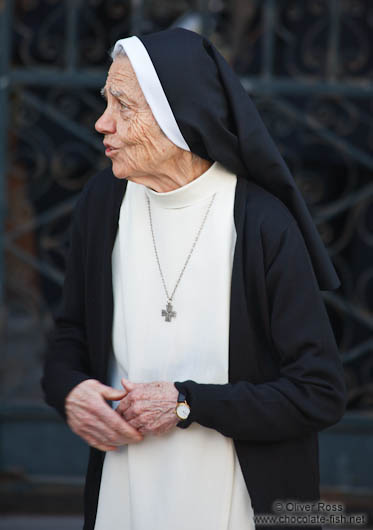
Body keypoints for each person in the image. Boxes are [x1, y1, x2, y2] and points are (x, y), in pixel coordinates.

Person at [41, 28, 347, 530]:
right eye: (106, 102)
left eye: (123, 106)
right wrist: (70, 389)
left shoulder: (262, 225)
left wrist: (187, 403)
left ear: (177, 118)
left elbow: (319, 391)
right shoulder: (104, 203)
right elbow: (69, 335)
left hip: (242, 502)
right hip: (125, 496)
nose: (102, 123)